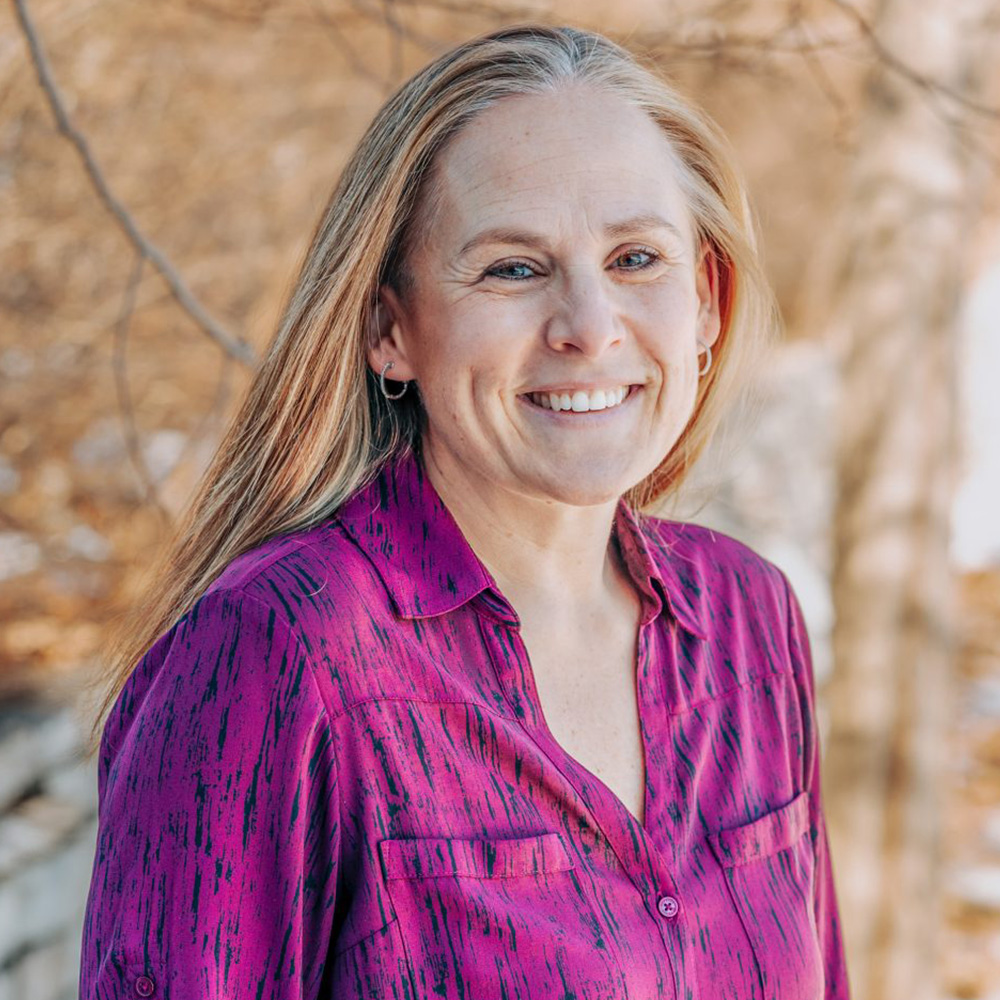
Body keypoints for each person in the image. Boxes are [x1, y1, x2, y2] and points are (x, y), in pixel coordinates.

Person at [79, 23, 850, 1000]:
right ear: (389, 329)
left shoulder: (748, 617)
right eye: (513, 268)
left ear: (704, 299)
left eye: (635, 258)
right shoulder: (278, 652)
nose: (589, 327)